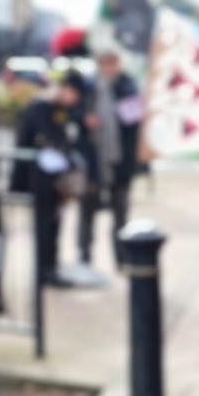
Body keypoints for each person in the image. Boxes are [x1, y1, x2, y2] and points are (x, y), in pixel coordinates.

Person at [11, 69, 88, 289]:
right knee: (44, 226)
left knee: (55, 224)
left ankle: (51, 268)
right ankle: (43, 271)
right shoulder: (42, 107)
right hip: (40, 178)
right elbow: (44, 137)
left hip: (57, 179)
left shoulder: (64, 110)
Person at [78, 46, 143, 269]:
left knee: (120, 216)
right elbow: (75, 115)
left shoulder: (128, 86)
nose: (108, 68)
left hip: (119, 160)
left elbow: (135, 124)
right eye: (104, 63)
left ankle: (122, 258)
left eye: (112, 63)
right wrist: (85, 121)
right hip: (93, 161)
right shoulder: (89, 87)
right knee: (87, 214)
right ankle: (84, 258)